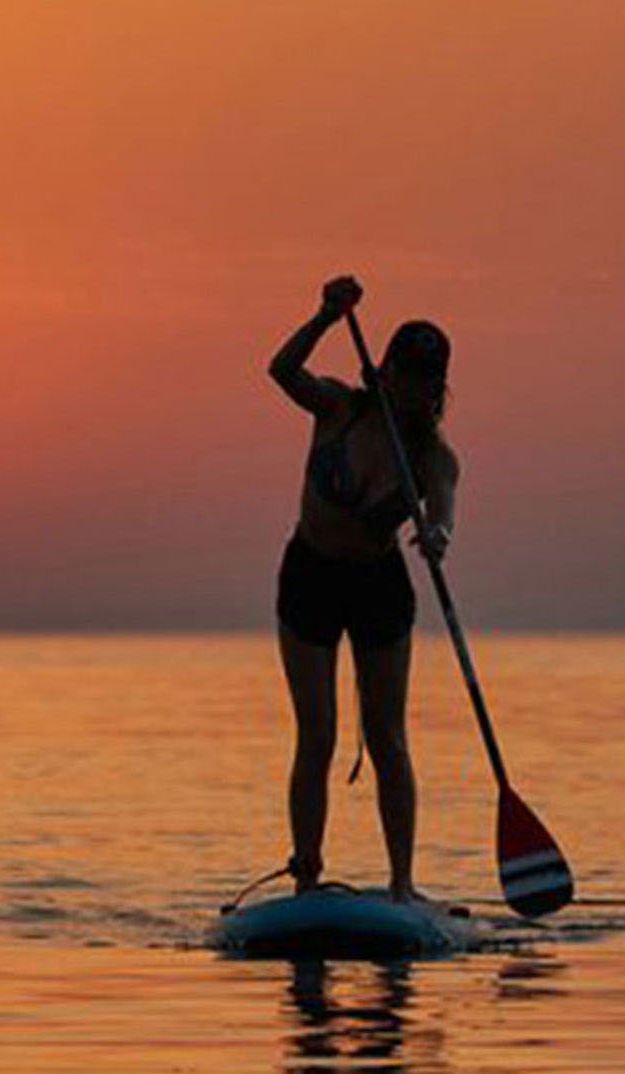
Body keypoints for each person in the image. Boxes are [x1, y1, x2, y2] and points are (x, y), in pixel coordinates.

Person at [268, 275, 457, 903]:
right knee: (316, 734)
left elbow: (443, 514)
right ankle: (308, 878)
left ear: (438, 388)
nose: (414, 388)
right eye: (405, 373)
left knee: (387, 739)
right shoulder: (339, 407)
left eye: (427, 379)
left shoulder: (431, 456)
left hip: (378, 586)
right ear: (388, 370)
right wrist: (326, 315)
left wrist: (435, 535)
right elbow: (280, 369)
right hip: (311, 576)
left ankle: (402, 885)